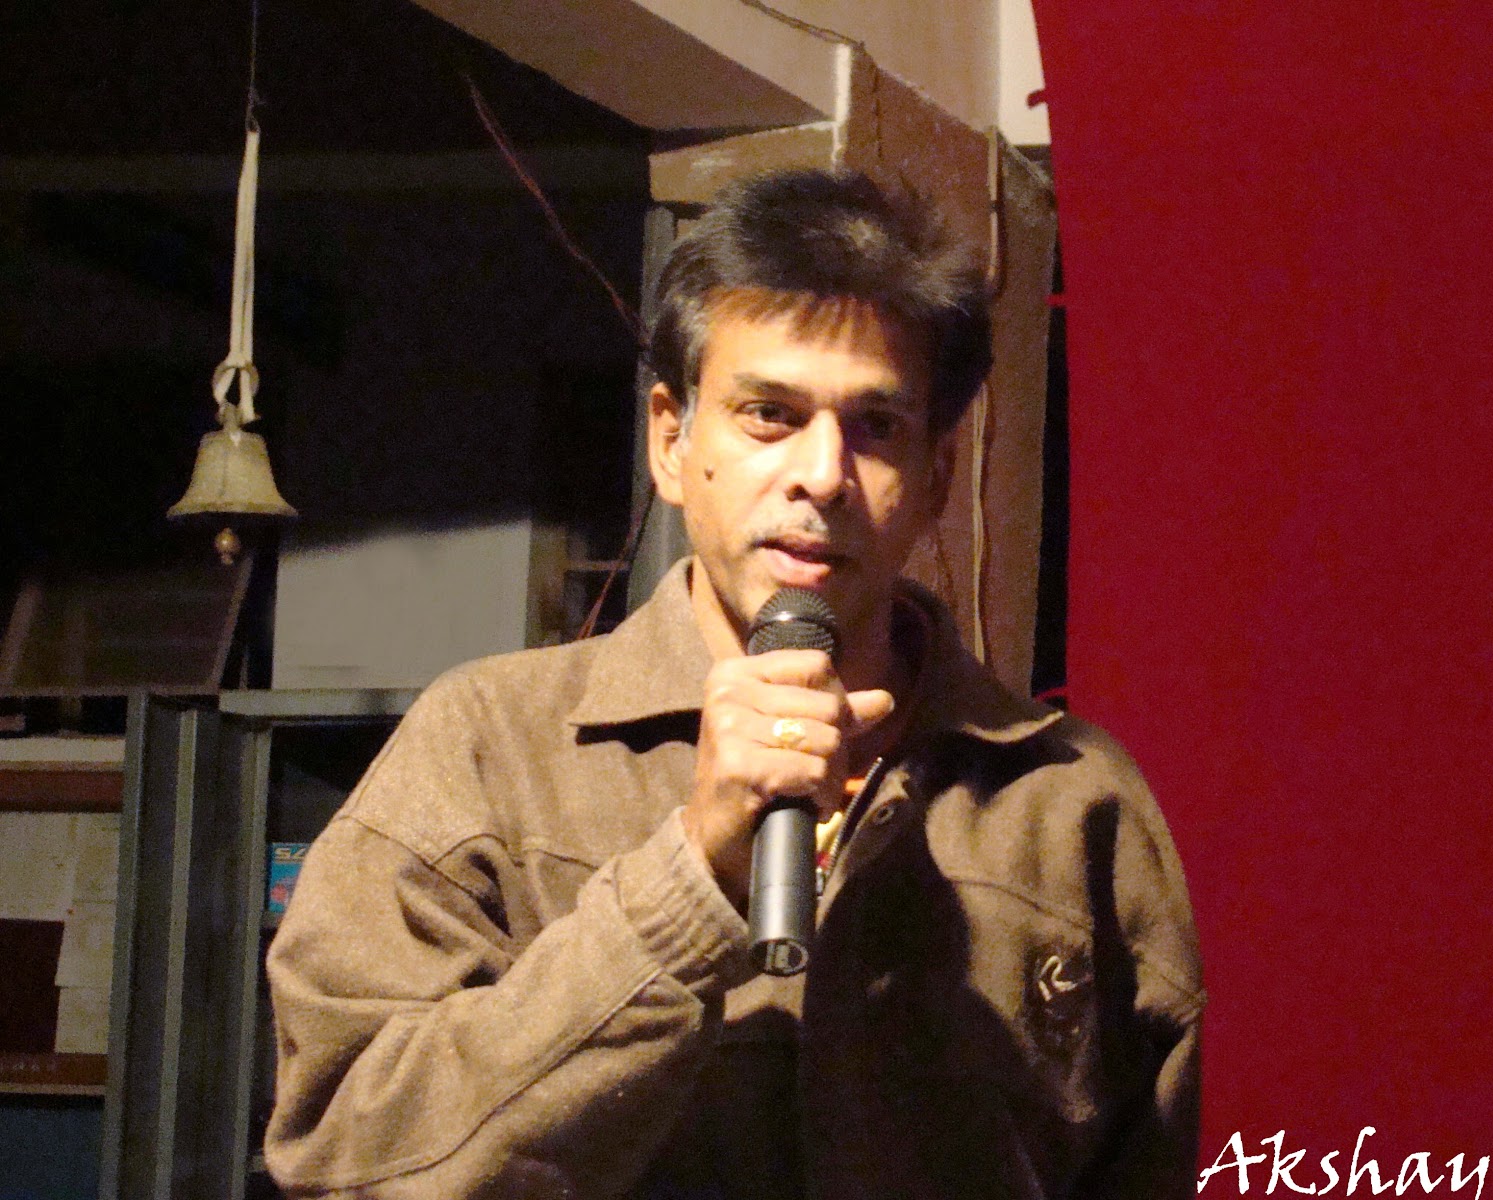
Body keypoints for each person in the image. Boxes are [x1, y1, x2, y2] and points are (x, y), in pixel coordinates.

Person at [265, 168, 1204, 1199]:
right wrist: (687, 884)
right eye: (769, 414)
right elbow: (348, 1161)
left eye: (876, 426)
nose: (822, 473)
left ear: (936, 479)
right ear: (672, 441)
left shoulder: (1068, 802)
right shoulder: (491, 746)